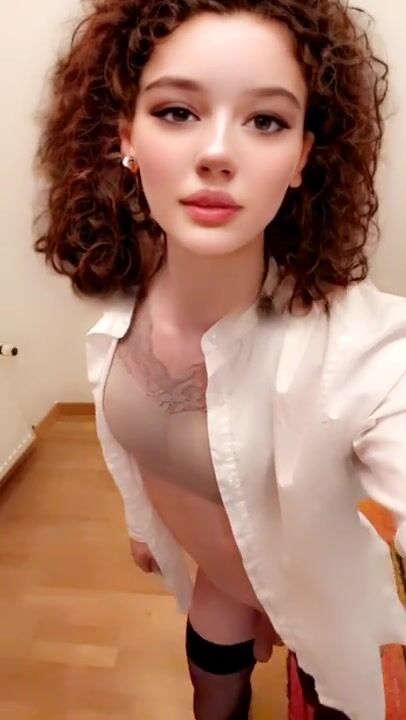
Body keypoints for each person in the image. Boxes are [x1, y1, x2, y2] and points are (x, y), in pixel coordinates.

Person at [33, 1, 406, 718]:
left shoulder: (360, 348)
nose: (217, 152)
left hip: (324, 611)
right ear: (127, 136)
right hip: (220, 586)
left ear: (302, 157)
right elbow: (133, 437)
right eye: (177, 112)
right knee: (213, 697)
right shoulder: (124, 282)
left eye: (265, 120)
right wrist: (141, 522)